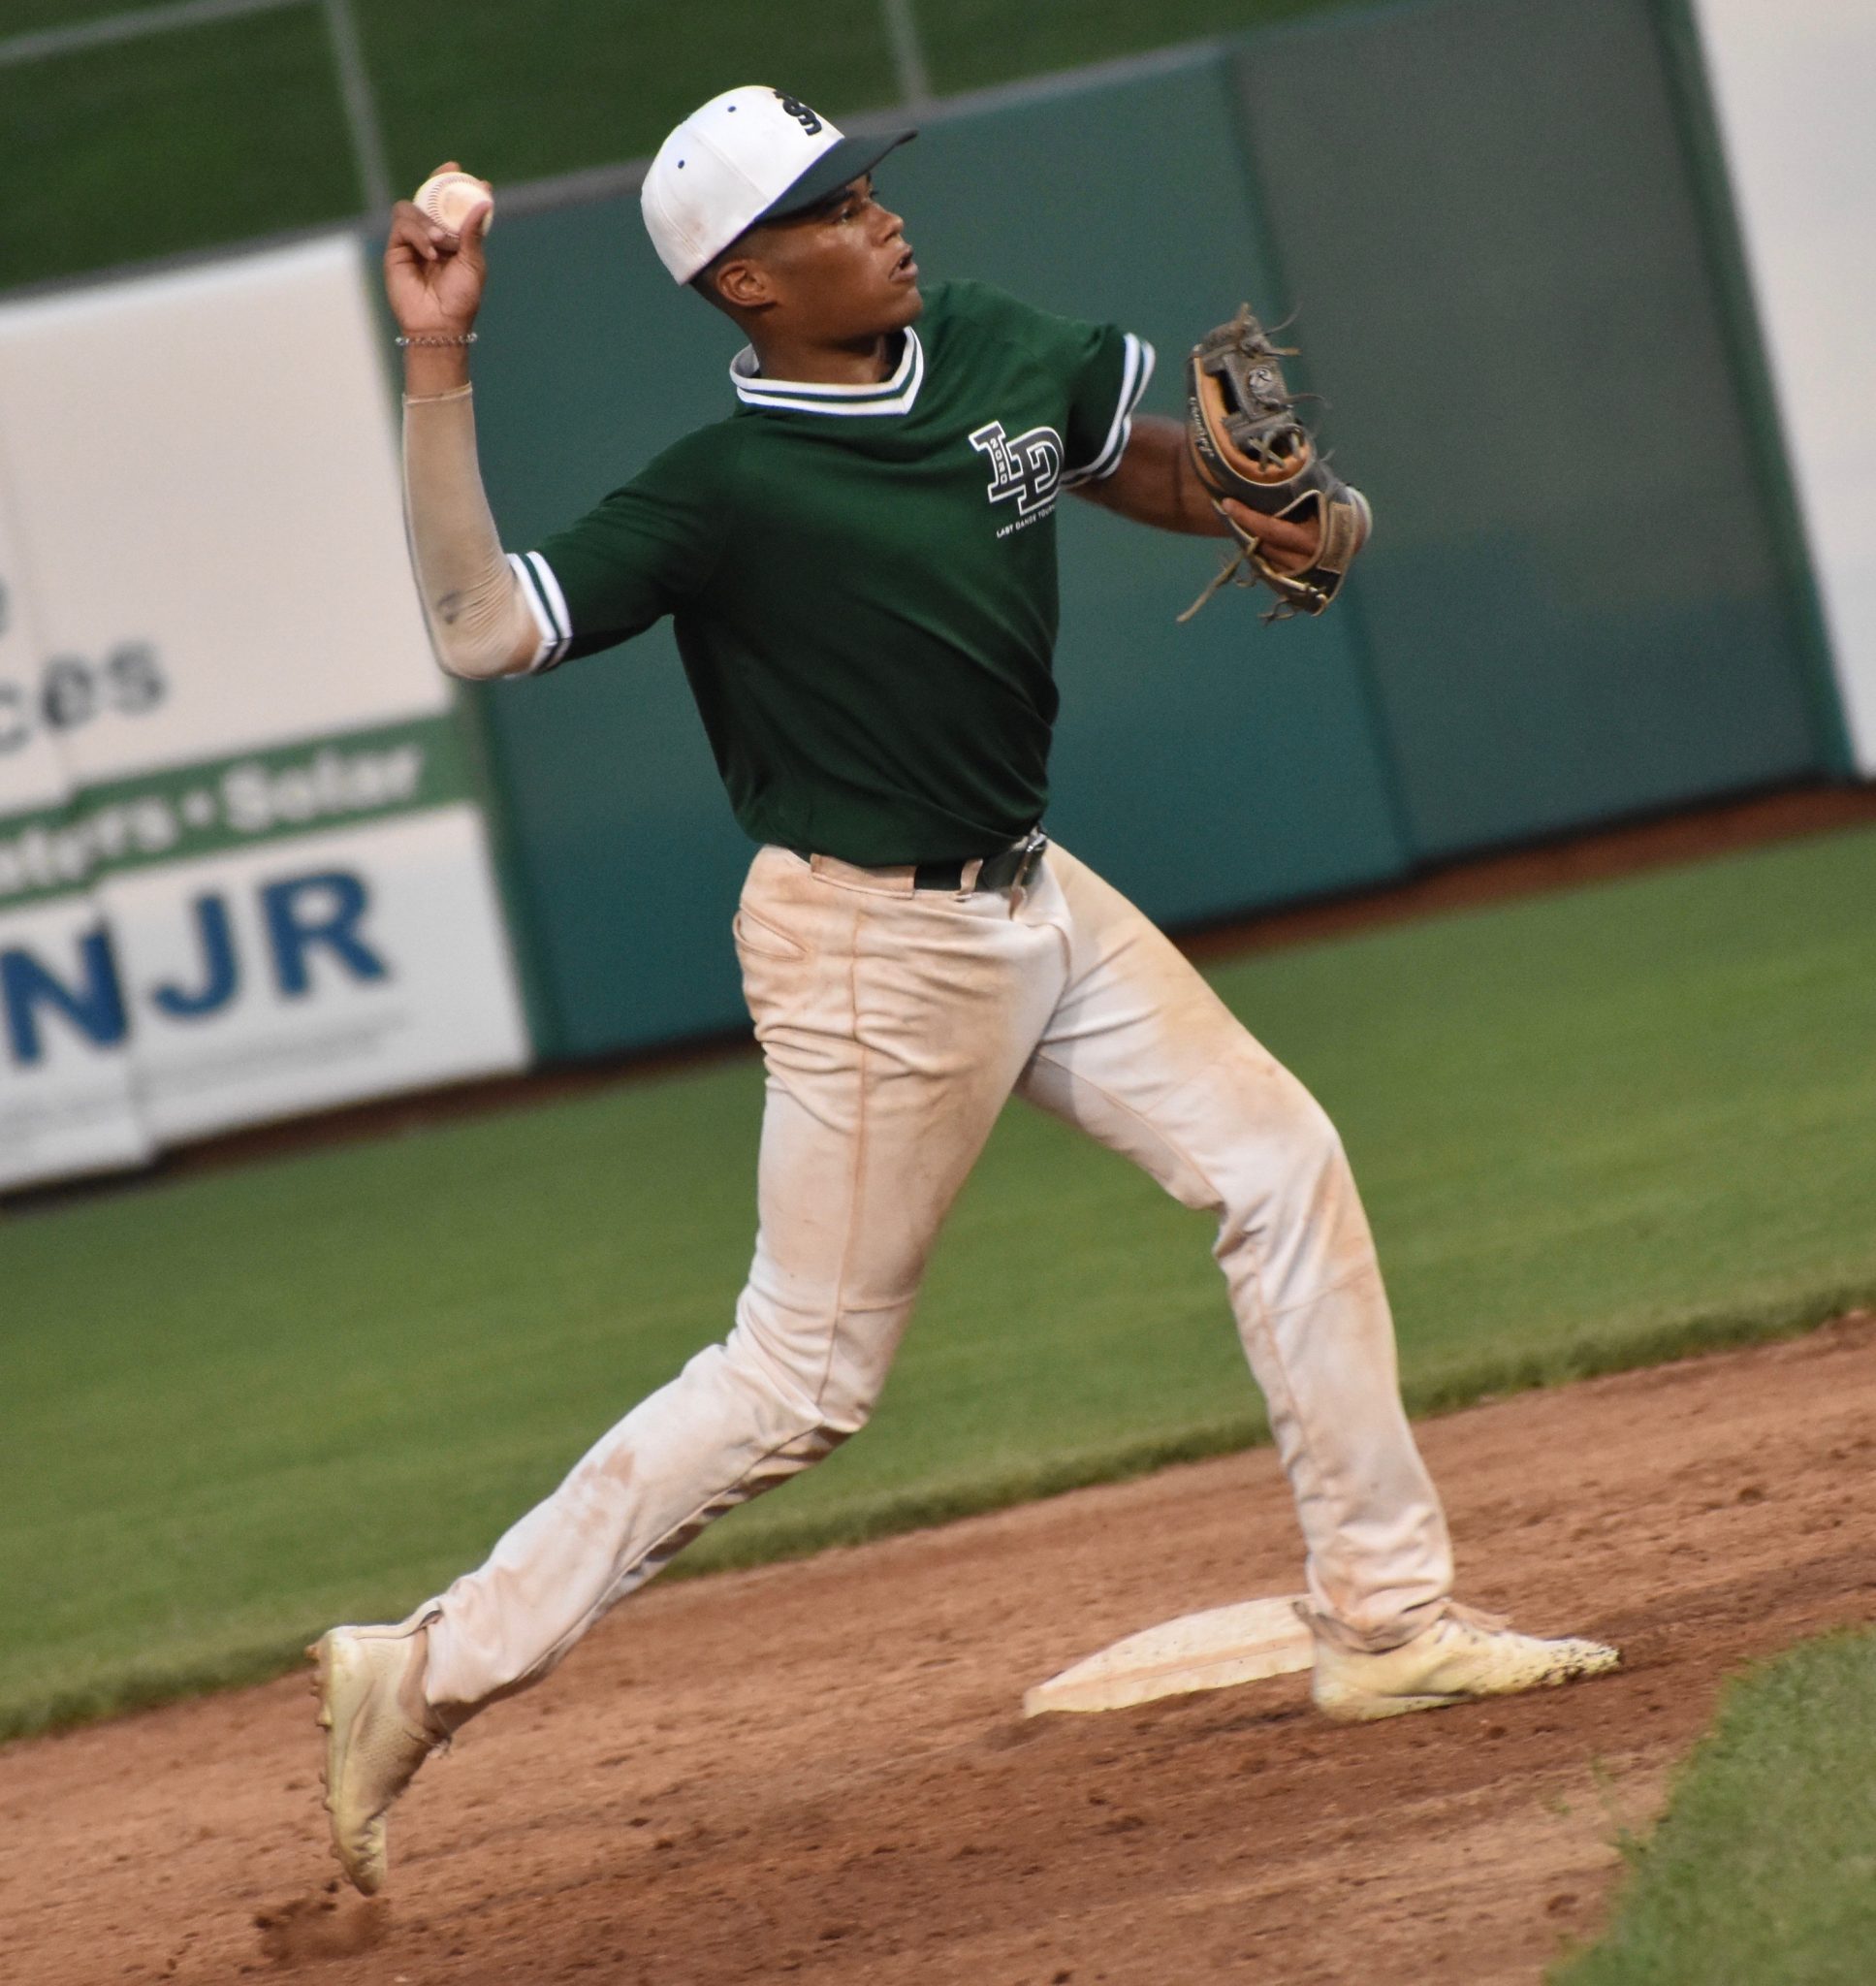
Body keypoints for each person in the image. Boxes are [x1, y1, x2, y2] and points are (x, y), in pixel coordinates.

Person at [309, 85, 1617, 1897]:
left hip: (1031, 888)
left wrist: (1273, 513)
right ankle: (425, 1668)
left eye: (867, 182)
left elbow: (1143, 458)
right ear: (751, 280)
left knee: (1278, 1163)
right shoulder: (723, 490)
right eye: (833, 204)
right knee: (796, 1382)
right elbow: (481, 627)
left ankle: (1388, 1624)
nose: (880, 214)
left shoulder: (984, 341)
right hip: (872, 946)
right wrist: (435, 357)